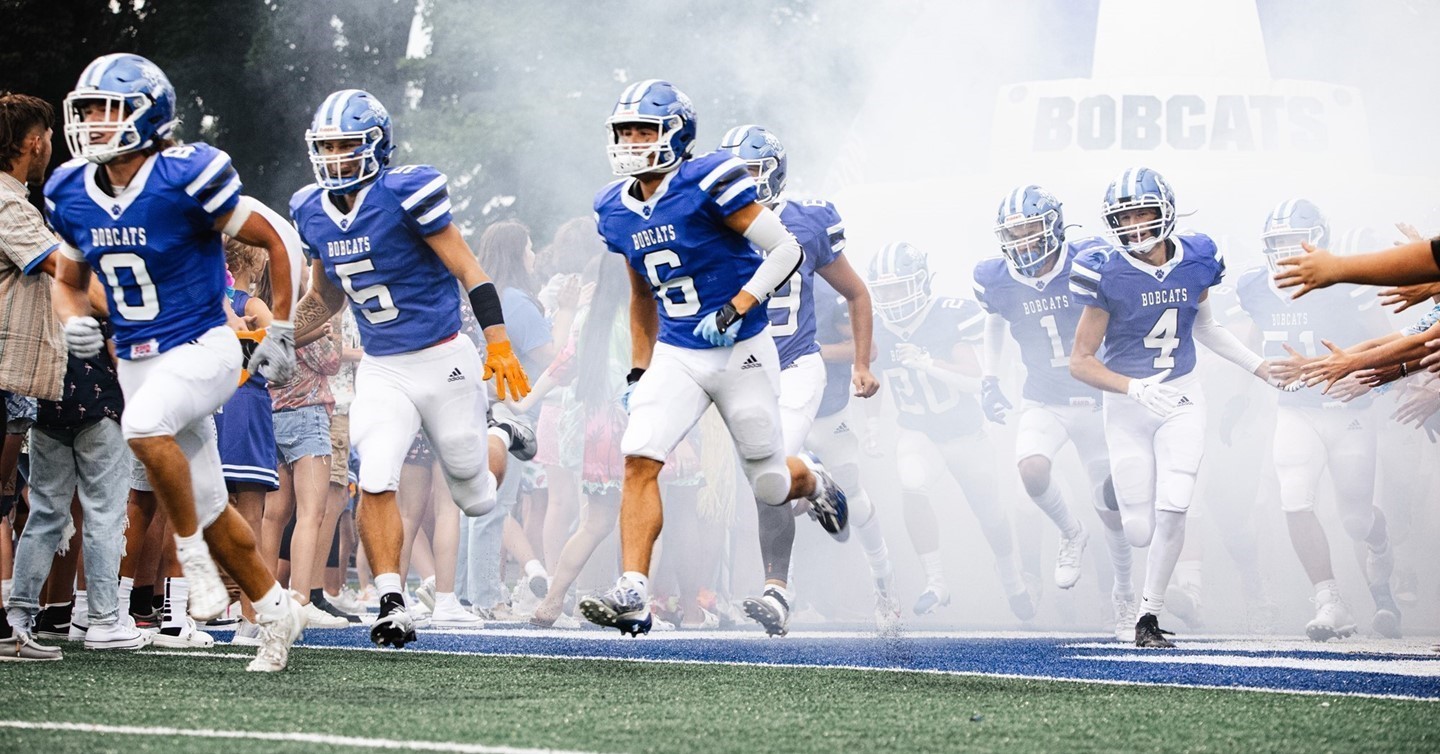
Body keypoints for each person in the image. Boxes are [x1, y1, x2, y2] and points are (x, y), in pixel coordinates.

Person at [44, 53, 305, 671]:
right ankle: (275, 612)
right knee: (211, 504)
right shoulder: (72, 191)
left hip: (203, 344)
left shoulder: (187, 174)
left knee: (143, 429)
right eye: (86, 111)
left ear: (146, 113)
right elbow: (68, 278)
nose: (93, 123)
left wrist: (284, 329)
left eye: (106, 110)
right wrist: (75, 320)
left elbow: (270, 239)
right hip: (138, 359)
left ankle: (192, 565)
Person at [578, 79, 848, 636]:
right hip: (678, 351)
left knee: (770, 483)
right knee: (639, 455)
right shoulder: (613, 207)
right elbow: (641, 294)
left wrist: (738, 305)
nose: (631, 141)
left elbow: (787, 249)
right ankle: (634, 588)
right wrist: (638, 366)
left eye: (644, 130)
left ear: (675, 134)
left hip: (742, 349)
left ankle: (815, 481)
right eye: (624, 130)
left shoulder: (709, 179)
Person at [287, 88, 531, 649]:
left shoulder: (406, 192)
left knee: (475, 496)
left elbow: (470, 269)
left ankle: (500, 431)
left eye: (347, 146)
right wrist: (282, 336)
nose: (335, 158)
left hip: (444, 354)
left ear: (376, 146)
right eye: (326, 147)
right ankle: (393, 601)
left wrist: (498, 342)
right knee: (374, 472)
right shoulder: (310, 208)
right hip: (383, 365)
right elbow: (326, 297)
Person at [1068, 166, 1290, 648]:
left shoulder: (1198, 256)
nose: (1135, 227)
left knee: (1177, 501)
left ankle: (1147, 616)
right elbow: (1081, 363)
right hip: (1129, 404)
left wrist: (1260, 367)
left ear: (1165, 210)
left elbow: (1206, 327)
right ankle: (1110, 494)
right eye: (1123, 219)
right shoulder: (1105, 268)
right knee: (1139, 530)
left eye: (1143, 213)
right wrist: (1134, 389)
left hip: (1183, 393)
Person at [717, 124, 884, 636]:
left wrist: (860, 363)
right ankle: (813, 477)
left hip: (795, 365)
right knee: (765, 477)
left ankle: (777, 593)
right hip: (742, 372)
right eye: (733, 176)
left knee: (768, 476)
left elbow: (856, 292)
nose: (741, 186)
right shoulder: (713, 224)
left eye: (751, 174)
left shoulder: (808, 221)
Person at [1233, 199, 1401, 640]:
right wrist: (1240, 394)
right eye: (1277, 245)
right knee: (1294, 496)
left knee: (1356, 521)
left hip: (1349, 412)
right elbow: (1257, 333)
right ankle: (1329, 600)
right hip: (1297, 410)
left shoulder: (1347, 281)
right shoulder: (1254, 286)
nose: (1285, 254)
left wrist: (1377, 382)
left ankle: (1380, 548)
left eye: (1294, 243)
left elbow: (1391, 340)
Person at [974, 185, 1136, 640]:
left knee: (1111, 505)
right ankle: (1070, 532)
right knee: (1031, 470)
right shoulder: (996, 278)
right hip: (1044, 396)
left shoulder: (1090, 260)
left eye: (1031, 230)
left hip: (1099, 397)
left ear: (1054, 226)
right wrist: (990, 378)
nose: (1024, 242)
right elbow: (995, 318)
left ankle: (1124, 598)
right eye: (1015, 233)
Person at [865, 241, 1036, 619]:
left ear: (921, 282)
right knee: (911, 483)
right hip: (918, 431)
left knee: (989, 513)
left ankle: (1011, 577)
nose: (892, 297)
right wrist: (873, 422)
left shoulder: (948, 316)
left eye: (899, 287)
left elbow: (979, 381)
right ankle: (936, 581)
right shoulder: (877, 327)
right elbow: (873, 376)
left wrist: (930, 364)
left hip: (964, 432)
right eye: (885, 290)